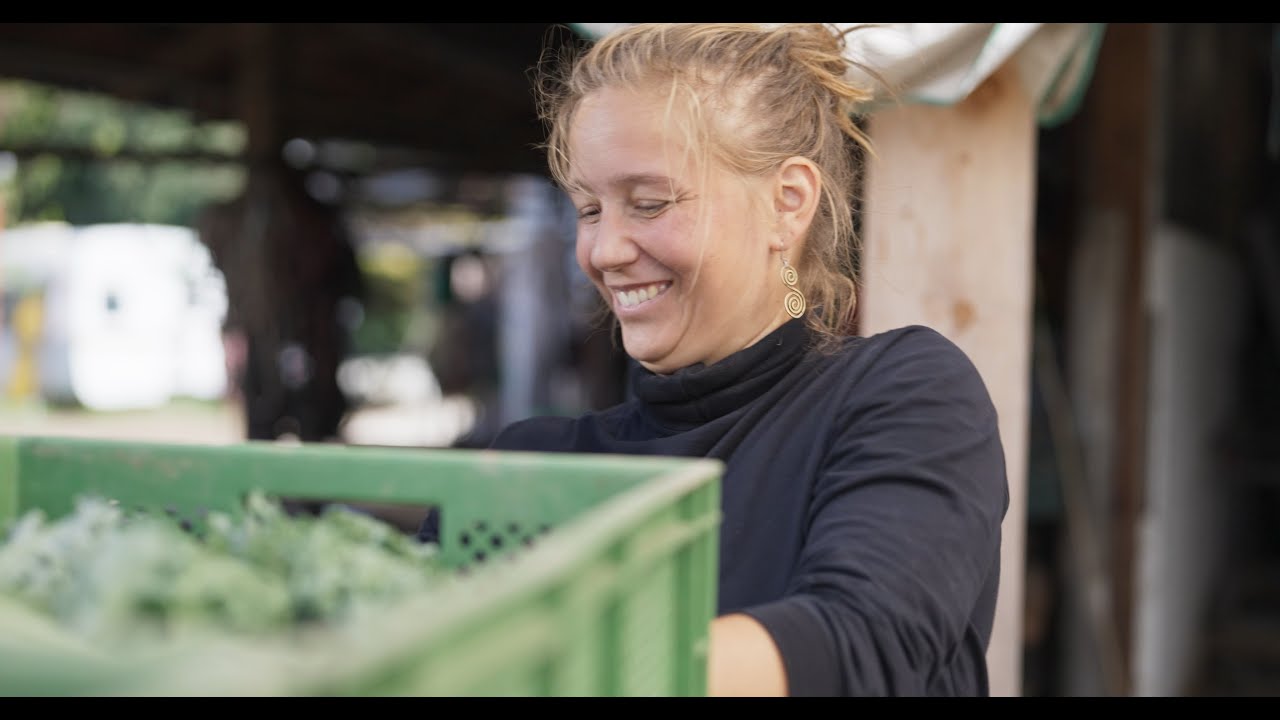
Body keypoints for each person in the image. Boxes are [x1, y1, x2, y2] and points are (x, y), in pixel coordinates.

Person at [418, 22, 1009, 697]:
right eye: (587, 209)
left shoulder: (906, 395)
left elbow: (862, 646)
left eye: (649, 203)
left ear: (787, 205)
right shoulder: (530, 470)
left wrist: (525, 660)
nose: (604, 251)